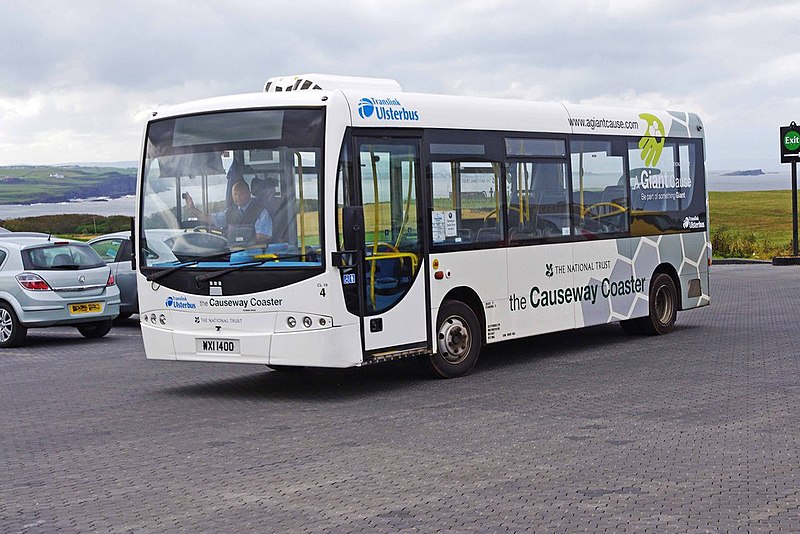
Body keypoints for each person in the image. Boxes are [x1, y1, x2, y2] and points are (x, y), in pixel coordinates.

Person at [184, 180, 272, 245]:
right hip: (231, 255)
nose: (238, 197)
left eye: (241, 193)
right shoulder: (230, 212)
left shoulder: (261, 212)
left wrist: (236, 238)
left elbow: (263, 237)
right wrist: (193, 209)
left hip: (254, 257)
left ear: (249, 193)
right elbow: (212, 219)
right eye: (235, 194)